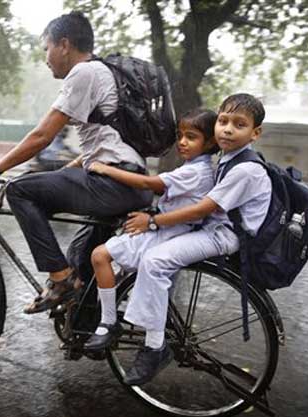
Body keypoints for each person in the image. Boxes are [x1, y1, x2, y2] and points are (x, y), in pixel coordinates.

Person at [0, 11, 152, 314]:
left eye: (46, 48)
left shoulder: (84, 72)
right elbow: (104, 144)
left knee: (20, 190)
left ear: (64, 44)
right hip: (131, 183)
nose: (45, 58)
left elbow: (41, 136)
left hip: (112, 185)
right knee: (81, 254)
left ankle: (60, 280)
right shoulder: (105, 73)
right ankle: (88, 325)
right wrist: (67, 172)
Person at [110, 93, 271, 386]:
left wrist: (154, 221)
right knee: (153, 252)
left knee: (155, 260)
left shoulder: (246, 169)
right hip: (214, 229)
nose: (228, 129)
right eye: (223, 121)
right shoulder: (229, 158)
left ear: (255, 133)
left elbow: (203, 208)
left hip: (224, 235)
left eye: (239, 124)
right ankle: (136, 309)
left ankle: (155, 347)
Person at [83, 108, 220, 348]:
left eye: (191, 137)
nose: (182, 142)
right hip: (174, 229)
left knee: (99, 255)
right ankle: (118, 298)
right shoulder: (200, 168)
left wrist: (106, 169)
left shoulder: (195, 171)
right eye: (180, 135)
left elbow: (150, 183)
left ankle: (108, 322)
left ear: (209, 142)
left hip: (168, 232)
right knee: (117, 259)